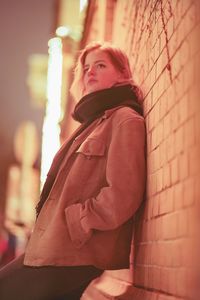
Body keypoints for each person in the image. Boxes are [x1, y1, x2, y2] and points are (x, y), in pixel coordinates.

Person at [0, 41, 146, 300]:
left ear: (122, 74)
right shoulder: (93, 123)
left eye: (100, 65)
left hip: (75, 250)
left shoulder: (124, 120)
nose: (90, 71)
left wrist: (77, 221)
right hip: (55, 247)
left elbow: (124, 194)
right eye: (87, 67)